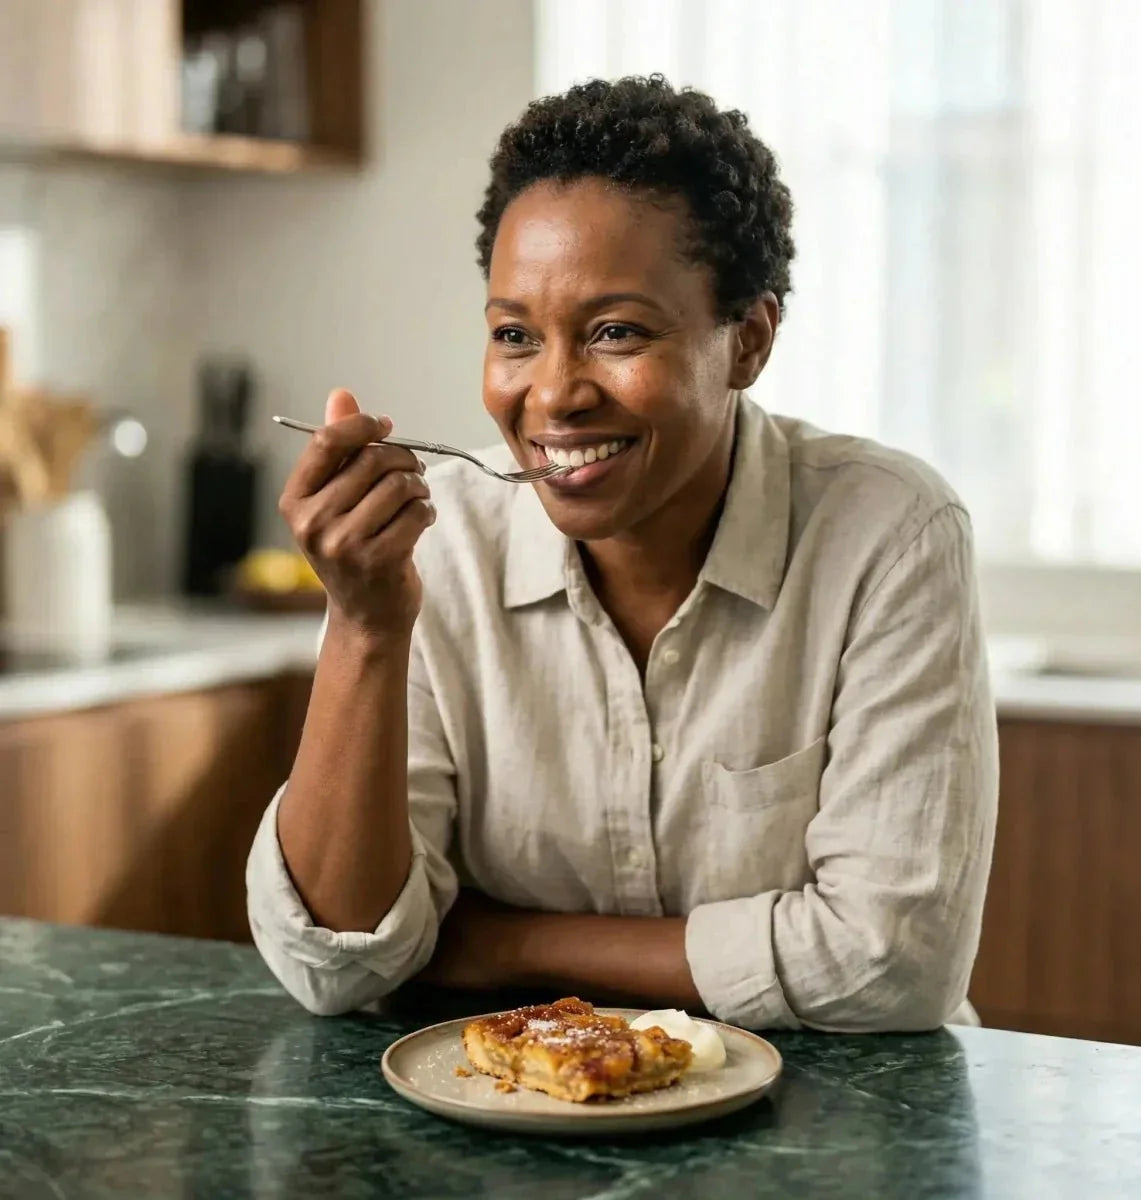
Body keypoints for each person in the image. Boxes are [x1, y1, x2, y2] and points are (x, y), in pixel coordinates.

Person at [247, 76, 998, 1031]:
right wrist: (363, 624)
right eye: (515, 335)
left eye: (615, 333)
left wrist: (498, 943)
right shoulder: (440, 544)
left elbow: (894, 964)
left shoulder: (892, 534)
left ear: (749, 341)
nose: (554, 394)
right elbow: (335, 963)